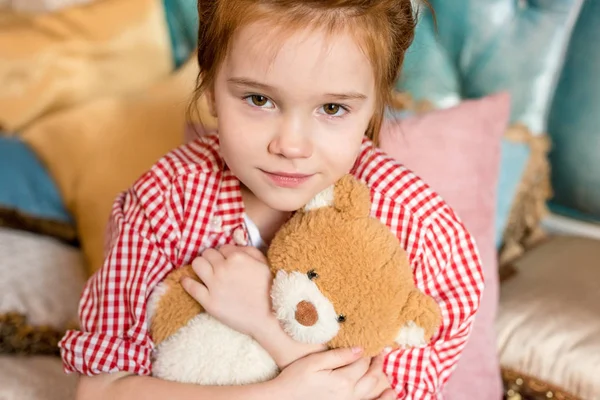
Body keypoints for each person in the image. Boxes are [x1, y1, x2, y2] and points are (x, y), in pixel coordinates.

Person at [59, 1, 484, 399]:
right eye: (259, 99)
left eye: (333, 108)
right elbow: (100, 389)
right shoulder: (165, 202)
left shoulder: (420, 229)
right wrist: (274, 394)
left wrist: (269, 325)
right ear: (208, 87)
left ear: (374, 105)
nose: (291, 145)